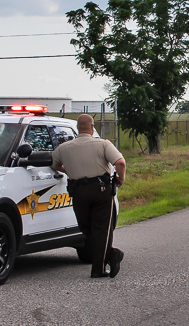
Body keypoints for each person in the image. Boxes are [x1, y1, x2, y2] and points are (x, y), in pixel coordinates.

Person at [51, 114, 126, 278]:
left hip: (79, 191)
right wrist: (120, 178)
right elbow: (120, 162)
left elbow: (55, 165)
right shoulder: (103, 144)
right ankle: (109, 257)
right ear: (92, 128)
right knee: (101, 229)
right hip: (101, 190)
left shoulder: (63, 148)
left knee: (87, 228)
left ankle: (99, 267)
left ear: (78, 128)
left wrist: (69, 169)